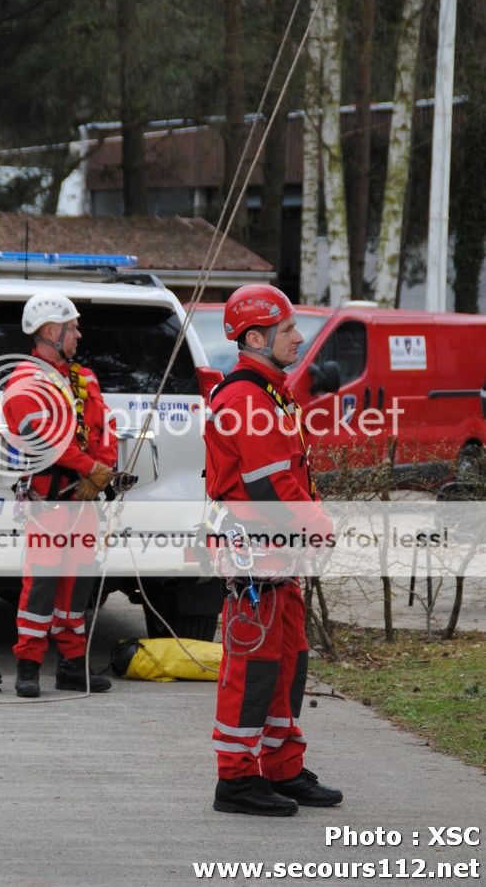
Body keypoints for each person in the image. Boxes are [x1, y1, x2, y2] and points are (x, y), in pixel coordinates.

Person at [203, 283, 343, 816]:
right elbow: (270, 486)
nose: (298, 338)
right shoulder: (245, 398)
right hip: (255, 555)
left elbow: (289, 479)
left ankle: (281, 767)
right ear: (256, 337)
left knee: (289, 658)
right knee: (254, 664)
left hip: (275, 553)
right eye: (287, 330)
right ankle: (235, 779)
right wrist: (318, 529)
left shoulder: (268, 393)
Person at [3, 292, 117, 697]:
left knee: (77, 586)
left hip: (82, 503)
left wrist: (104, 471)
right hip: (48, 502)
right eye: (73, 328)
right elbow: (47, 441)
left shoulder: (84, 379)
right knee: (43, 585)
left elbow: (104, 429)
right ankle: (29, 665)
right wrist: (91, 468)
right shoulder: (24, 384)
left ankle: (71, 665)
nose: (79, 334)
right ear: (51, 331)